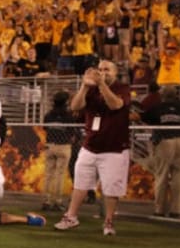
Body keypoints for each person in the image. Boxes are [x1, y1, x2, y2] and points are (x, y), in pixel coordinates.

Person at [54, 60, 130, 236]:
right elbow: (75, 106)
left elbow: (115, 105)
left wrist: (101, 83)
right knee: (80, 183)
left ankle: (109, 222)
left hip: (114, 148)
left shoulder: (122, 87)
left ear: (115, 73)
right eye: (100, 69)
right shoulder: (92, 89)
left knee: (111, 188)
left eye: (107, 70)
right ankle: (71, 216)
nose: (103, 72)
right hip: (90, 146)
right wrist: (84, 87)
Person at [141, 86, 180, 218]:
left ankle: (159, 210)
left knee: (161, 175)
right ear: (176, 95)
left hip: (164, 142)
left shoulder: (157, 108)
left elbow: (144, 118)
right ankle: (177, 210)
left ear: (162, 95)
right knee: (179, 176)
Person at [41, 91, 76, 211]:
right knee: (59, 175)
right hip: (63, 146)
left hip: (50, 145)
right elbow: (72, 132)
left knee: (48, 174)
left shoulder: (49, 115)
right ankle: (57, 201)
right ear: (66, 102)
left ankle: (46, 201)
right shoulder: (69, 116)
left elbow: (45, 128)